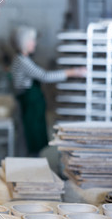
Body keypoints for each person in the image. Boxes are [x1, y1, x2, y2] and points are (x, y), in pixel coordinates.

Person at [10, 25, 86, 156]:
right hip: (30, 106)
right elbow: (44, 76)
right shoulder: (22, 61)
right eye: (32, 40)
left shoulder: (23, 59)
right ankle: (28, 167)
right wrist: (73, 72)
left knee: (34, 138)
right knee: (30, 138)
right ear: (24, 42)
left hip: (33, 105)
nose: (34, 43)